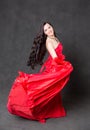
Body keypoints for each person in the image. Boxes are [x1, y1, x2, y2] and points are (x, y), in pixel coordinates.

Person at [7, 22, 73, 123]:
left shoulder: (55, 38)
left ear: (52, 27)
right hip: (55, 66)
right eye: (46, 30)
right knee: (43, 88)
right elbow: (55, 57)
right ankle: (28, 106)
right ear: (44, 33)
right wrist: (65, 64)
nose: (49, 30)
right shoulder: (49, 41)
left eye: (49, 27)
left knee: (53, 89)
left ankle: (51, 108)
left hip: (57, 65)